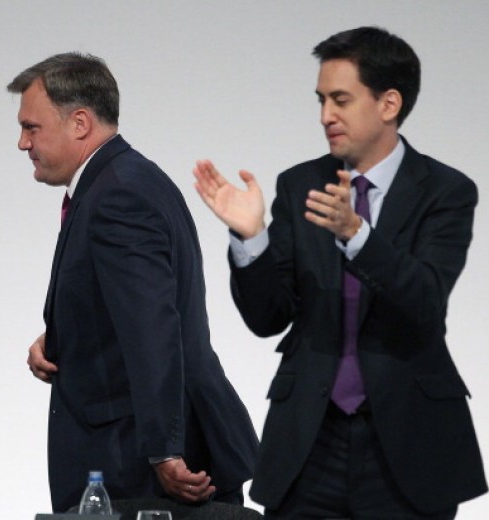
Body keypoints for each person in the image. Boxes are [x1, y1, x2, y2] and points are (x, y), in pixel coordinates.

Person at [193, 26, 487, 519]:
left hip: (409, 443)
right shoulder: (299, 184)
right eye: (321, 100)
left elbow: (425, 298)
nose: (326, 115)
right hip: (311, 440)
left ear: (388, 104)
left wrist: (357, 235)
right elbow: (269, 317)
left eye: (341, 100)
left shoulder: (446, 190)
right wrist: (251, 237)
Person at [8, 53, 258, 513]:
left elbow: (153, 327)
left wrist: (163, 449)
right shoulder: (128, 180)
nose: (22, 143)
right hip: (136, 449)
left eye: (31, 127)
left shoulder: (118, 194)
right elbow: (132, 306)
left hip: (133, 462)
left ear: (80, 122)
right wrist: (65, 334)